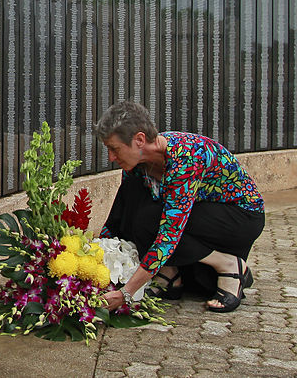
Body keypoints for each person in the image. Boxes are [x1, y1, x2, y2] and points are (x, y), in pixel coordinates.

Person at [95, 101, 265, 313]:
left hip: (239, 218)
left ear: (139, 140)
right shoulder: (137, 165)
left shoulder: (185, 159)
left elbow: (169, 235)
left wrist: (126, 294)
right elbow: (119, 217)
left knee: (156, 222)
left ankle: (230, 266)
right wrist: (96, 259)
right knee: (141, 212)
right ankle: (170, 276)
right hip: (200, 216)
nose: (111, 157)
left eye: (114, 149)